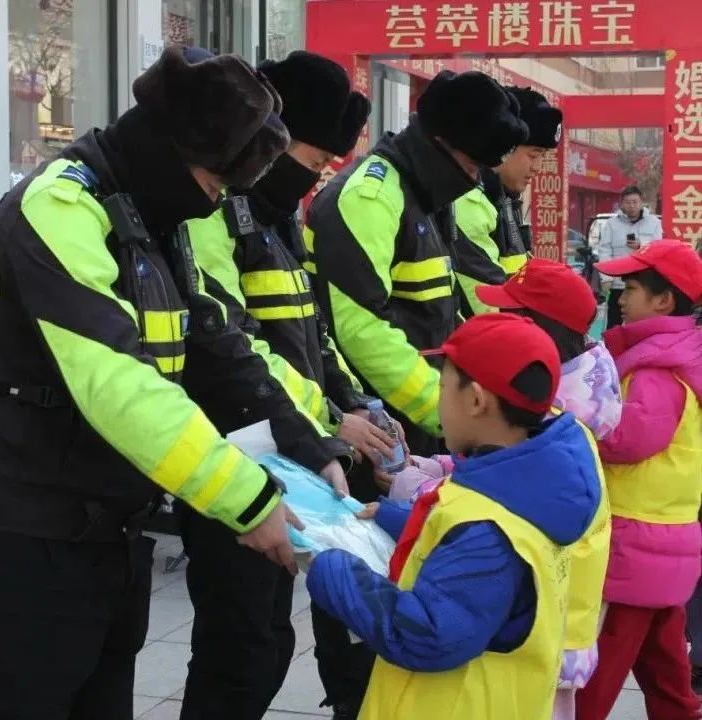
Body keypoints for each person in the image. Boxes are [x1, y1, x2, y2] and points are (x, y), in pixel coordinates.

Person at [0, 46, 297, 720]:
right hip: (25, 540)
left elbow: (216, 345)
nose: (215, 205)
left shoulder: (149, 219)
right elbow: (119, 383)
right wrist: (245, 498)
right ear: (169, 152)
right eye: (213, 184)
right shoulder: (60, 208)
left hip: (106, 535)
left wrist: (313, 442)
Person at [179, 51, 383, 720]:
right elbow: (229, 340)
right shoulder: (213, 213)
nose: (313, 176)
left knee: (267, 638)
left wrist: (347, 405)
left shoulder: (276, 219)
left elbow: (311, 333)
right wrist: (325, 420)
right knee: (239, 647)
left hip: (288, 450)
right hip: (234, 447)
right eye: (310, 157)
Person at [306, 313, 601, 720]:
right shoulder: (528, 481)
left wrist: (331, 569)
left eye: (443, 387)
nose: (439, 400)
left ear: (477, 400)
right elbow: (466, 540)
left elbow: (427, 635)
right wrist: (399, 519)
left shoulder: (488, 529)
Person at [305, 70, 528, 458]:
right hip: (374, 424)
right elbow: (362, 330)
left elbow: (444, 311)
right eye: (472, 168)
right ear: (439, 145)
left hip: (420, 412)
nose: (473, 182)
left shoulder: (426, 195)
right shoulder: (370, 198)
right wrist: (446, 411)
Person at [475, 259, 618, 720]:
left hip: (542, 627)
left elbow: (495, 495)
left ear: (539, 332)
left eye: (509, 315)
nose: (497, 323)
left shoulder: (548, 419)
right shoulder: (575, 401)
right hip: (562, 619)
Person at [576, 239, 702, 720]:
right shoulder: (681, 356)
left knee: (594, 674)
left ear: (664, 300)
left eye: (630, 289)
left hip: (632, 544)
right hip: (667, 543)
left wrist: (579, 419)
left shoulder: (657, 369)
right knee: (667, 670)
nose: (621, 298)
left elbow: (629, 441)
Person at [455, 87, 563, 316]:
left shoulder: (502, 198)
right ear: (505, 145)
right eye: (533, 155)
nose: (537, 168)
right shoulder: (467, 202)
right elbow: (486, 302)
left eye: (543, 157)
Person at [598, 185, 663, 329]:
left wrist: (641, 245)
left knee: (642, 320)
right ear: (621, 204)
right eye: (628, 202)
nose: (632, 206)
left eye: (635, 202)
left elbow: (659, 248)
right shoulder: (611, 224)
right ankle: (611, 349)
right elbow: (604, 250)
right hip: (617, 282)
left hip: (644, 282)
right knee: (614, 322)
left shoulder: (654, 223)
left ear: (641, 203)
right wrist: (606, 278)